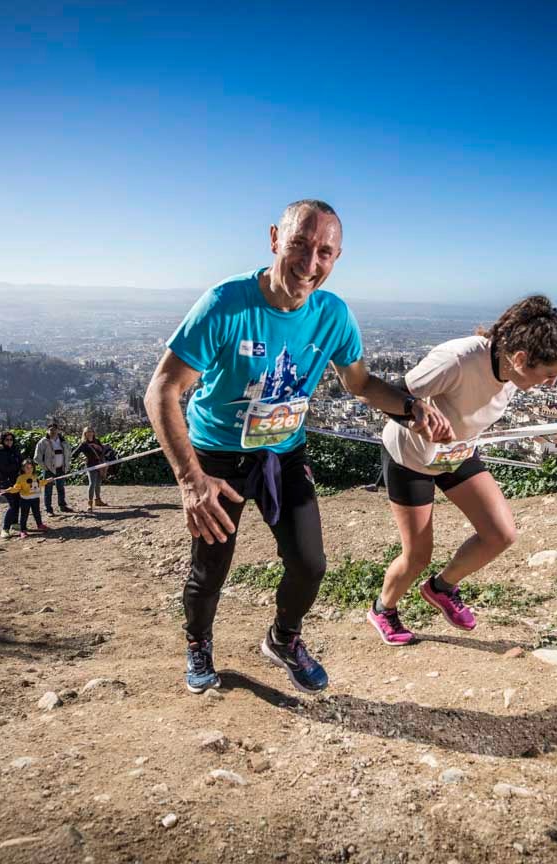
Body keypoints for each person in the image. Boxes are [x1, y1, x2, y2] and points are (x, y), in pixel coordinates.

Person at [145, 199, 452, 695]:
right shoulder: (226, 303)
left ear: (337, 257)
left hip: (284, 454)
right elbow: (162, 390)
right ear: (274, 239)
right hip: (217, 456)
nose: (310, 264)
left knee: (310, 565)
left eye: (325, 252)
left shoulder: (332, 315)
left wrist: (411, 408)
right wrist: (191, 481)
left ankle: (283, 639)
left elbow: (360, 383)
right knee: (212, 566)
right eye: (300, 246)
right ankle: (198, 643)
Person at [366, 295, 557, 646]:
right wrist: (418, 419)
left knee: (500, 533)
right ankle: (382, 609)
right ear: (522, 359)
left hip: (457, 453)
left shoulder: (512, 366)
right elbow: (385, 395)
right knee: (417, 555)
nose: (552, 384)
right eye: (549, 375)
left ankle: (441, 588)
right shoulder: (459, 360)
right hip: (412, 458)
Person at [0, 431, 24, 538]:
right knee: (12, 505)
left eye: (11, 439)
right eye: (7, 440)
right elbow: (5, 468)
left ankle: (15, 523)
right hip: (5, 483)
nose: (9, 442)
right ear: (2, 441)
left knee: (17, 502)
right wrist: (18, 466)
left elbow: (22, 462)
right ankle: (5, 528)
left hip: (16, 481)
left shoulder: (15, 450)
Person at [34, 422, 74, 515]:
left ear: (58, 431)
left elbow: (68, 454)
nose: (53, 431)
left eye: (55, 429)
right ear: (47, 431)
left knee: (61, 488)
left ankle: (62, 506)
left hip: (61, 469)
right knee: (48, 490)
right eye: (51, 429)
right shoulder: (43, 442)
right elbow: (37, 458)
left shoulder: (63, 441)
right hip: (49, 470)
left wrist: (67, 465)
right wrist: (45, 468)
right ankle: (48, 509)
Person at [4, 458, 51, 537]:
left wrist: (47, 481)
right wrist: (10, 490)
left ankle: (40, 525)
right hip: (25, 500)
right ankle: (23, 530)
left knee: (37, 513)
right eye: (27, 468)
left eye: (31, 467)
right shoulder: (20, 478)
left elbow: (39, 483)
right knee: (24, 515)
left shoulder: (34, 476)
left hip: (35, 499)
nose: (29, 469)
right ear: (23, 468)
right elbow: (17, 488)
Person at [71, 428, 109, 510]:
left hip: (100, 464)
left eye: (91, 431)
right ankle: (90, 503)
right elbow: (74, 454)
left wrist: (101, 448)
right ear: (84, 434)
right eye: (87, 432)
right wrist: (79, 459)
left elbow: (103, 450)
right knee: (92, 484)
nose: (89, 433)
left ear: (93, 432)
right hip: (91, 466)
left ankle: (98, 500)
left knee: (98, 484)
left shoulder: (97, 441)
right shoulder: (83, 444)